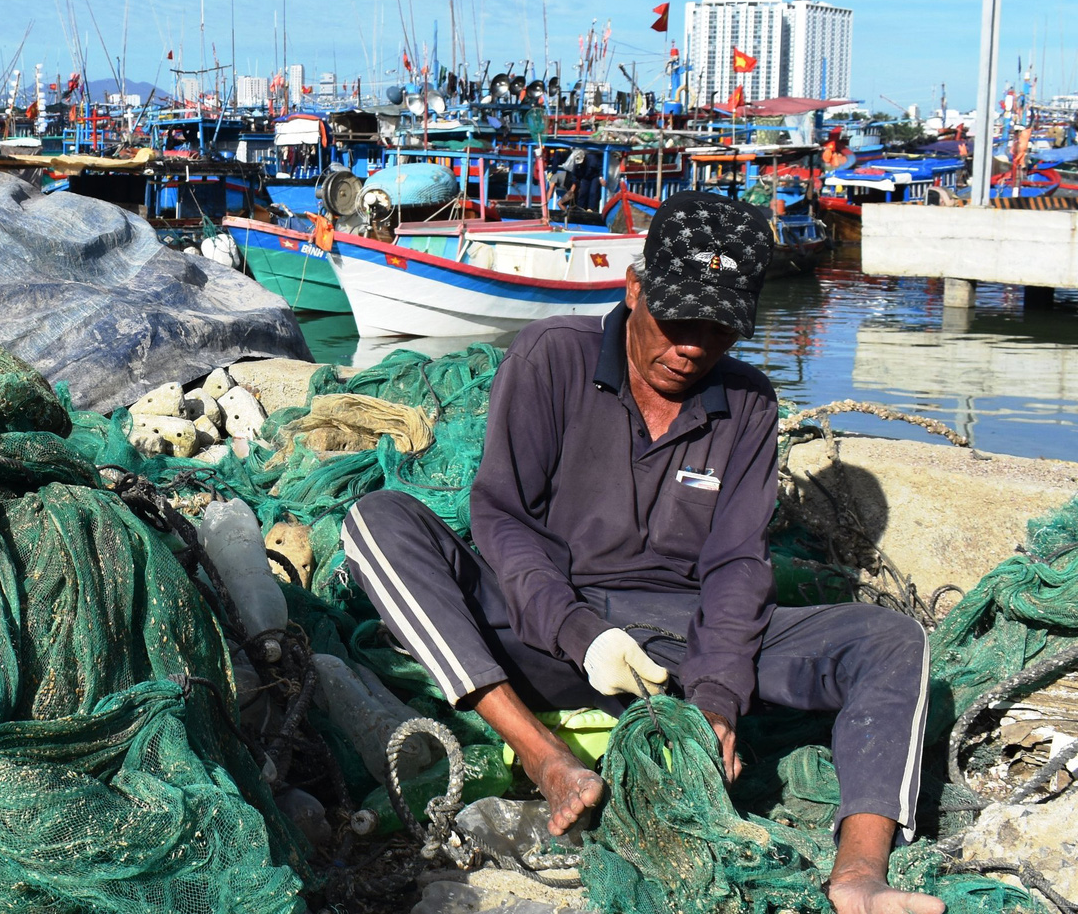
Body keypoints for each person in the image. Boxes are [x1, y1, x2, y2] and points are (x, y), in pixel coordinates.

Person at [341, 191, 941, 914]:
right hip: (544, 633)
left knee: (890, 638)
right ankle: (543, 754)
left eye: (717, 329)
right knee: (378, 522)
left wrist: (718, 697)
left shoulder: (748, 402)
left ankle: (860, 873)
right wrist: (579, 631)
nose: (692, 346)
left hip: (678, 648)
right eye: (679, 318)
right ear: (634, 289)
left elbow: (737, 565)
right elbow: (504, 520)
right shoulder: (550, 357)